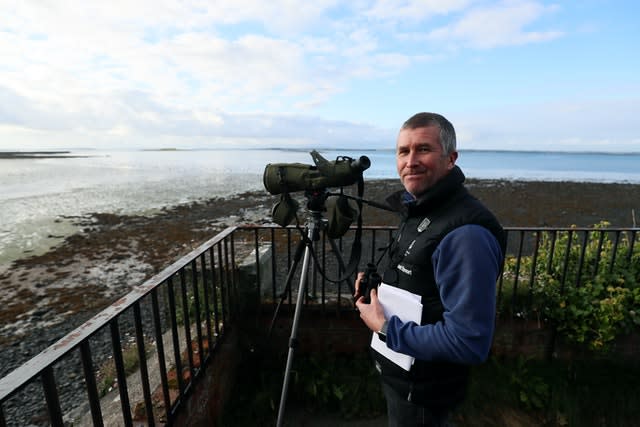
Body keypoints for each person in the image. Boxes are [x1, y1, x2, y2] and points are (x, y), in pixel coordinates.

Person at [355, 112, 506, 426]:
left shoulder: (466, 234)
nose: (410, 160)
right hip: (404, 380)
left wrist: (385, 328)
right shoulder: (422, 207)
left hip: (424, 394)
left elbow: (468, 341)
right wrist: (381, 287)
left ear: (451, 158)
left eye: (423, 149)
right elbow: (423, 284)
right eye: (403, 151)